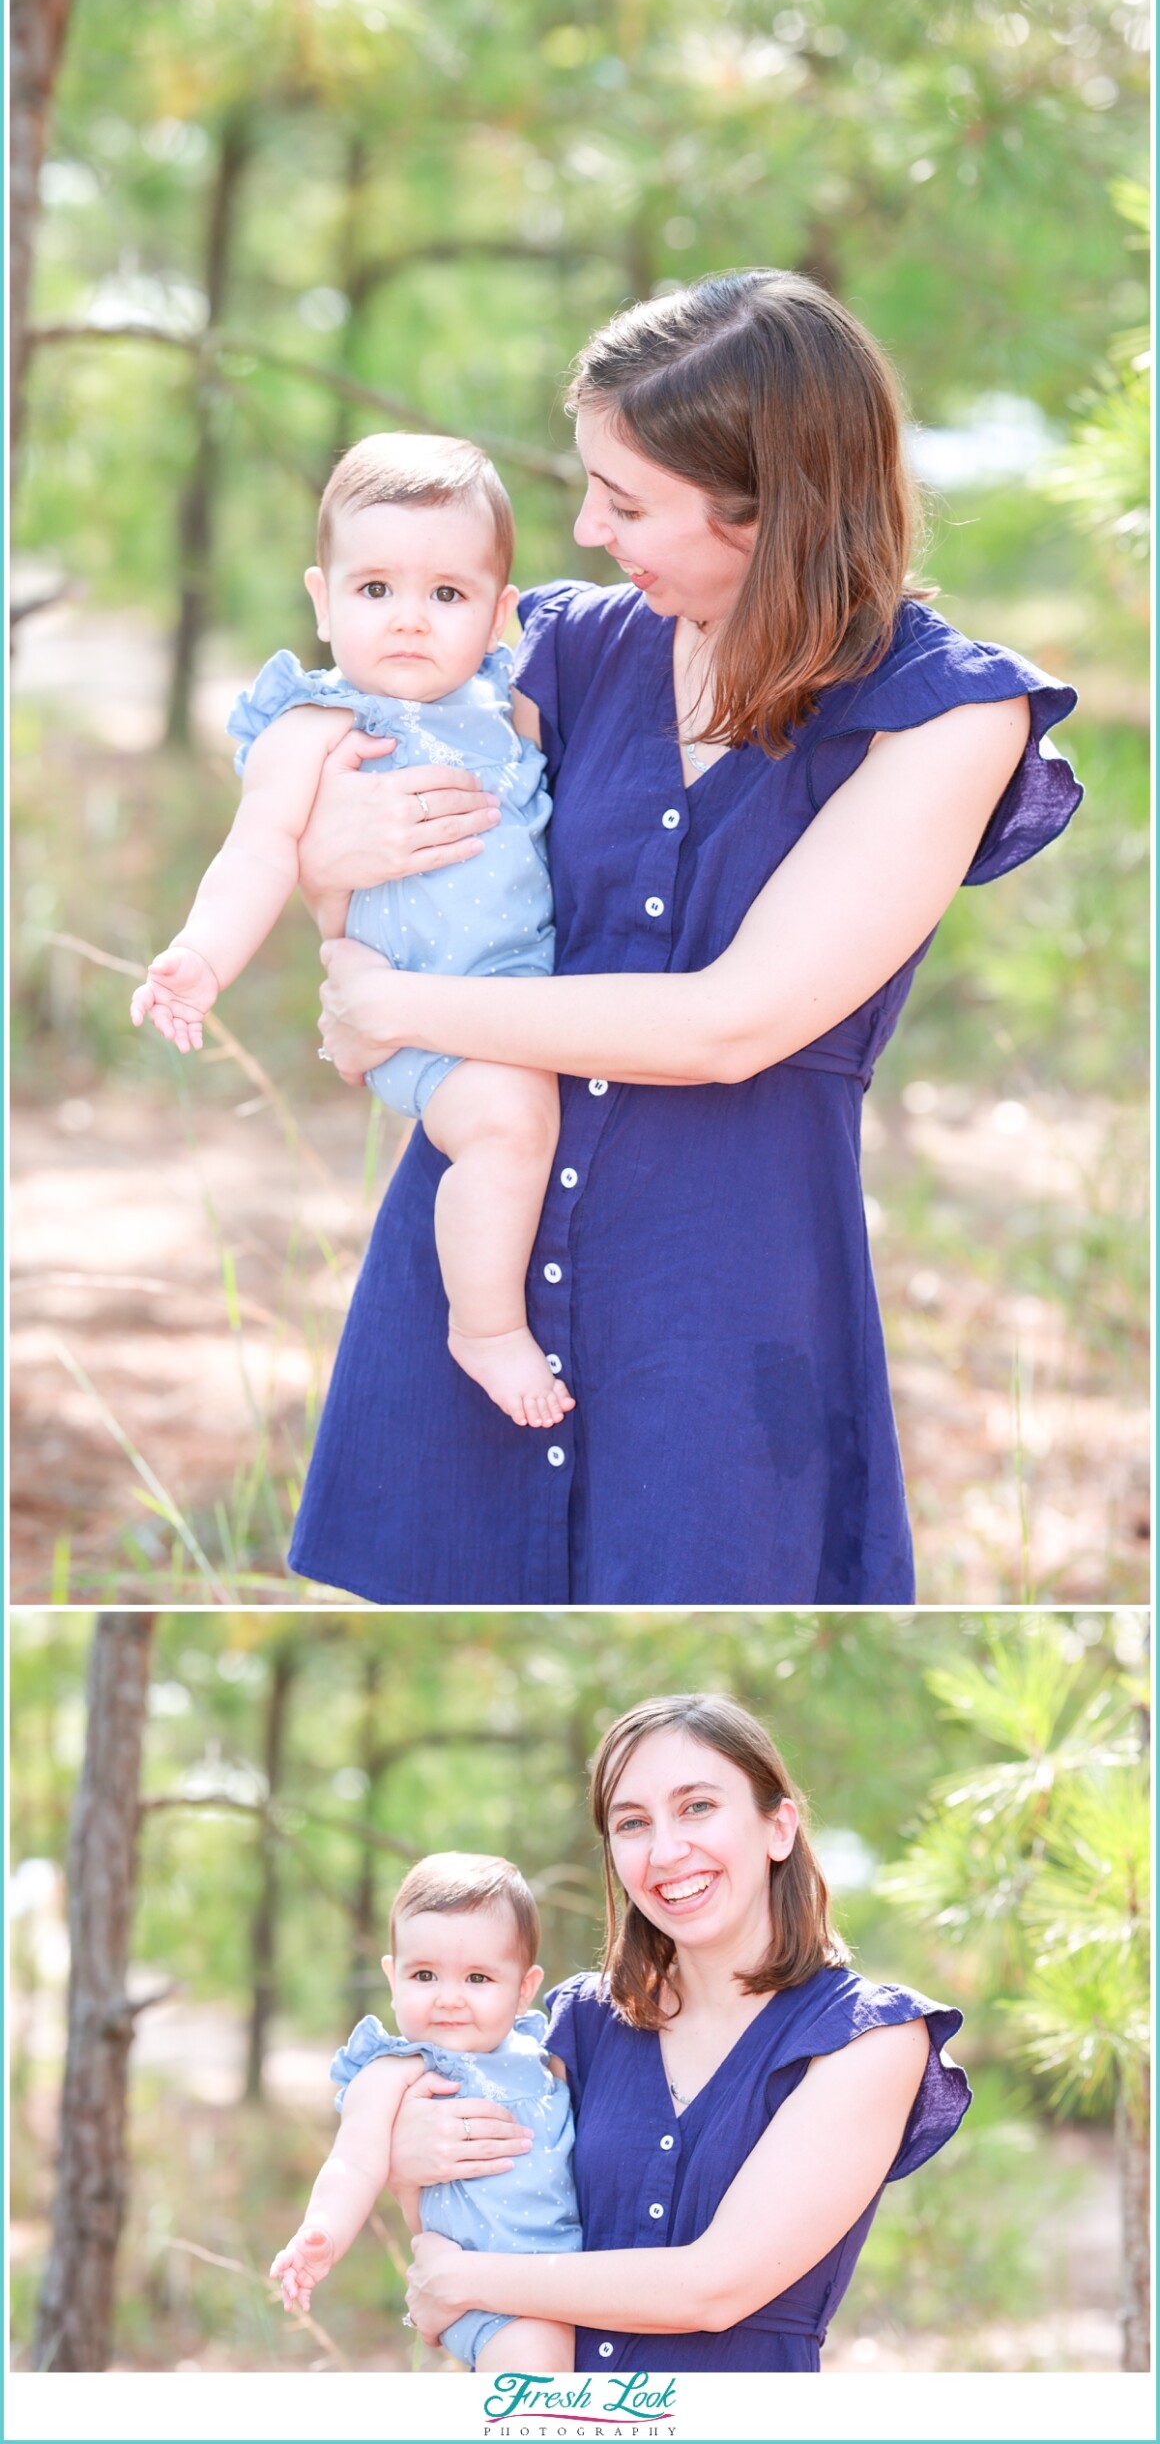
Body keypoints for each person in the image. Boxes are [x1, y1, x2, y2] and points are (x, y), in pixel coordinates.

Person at [292, 269, 1081, 1602]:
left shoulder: (944, 715)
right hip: (476, 1236)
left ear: (772, 504)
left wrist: (405, 1008)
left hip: (724, 1299)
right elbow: (388, 894)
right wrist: (326, 867)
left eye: (630, 498)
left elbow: (733, 1024)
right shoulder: (548, 650)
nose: (590, 530)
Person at [130, 434, 573, 1430]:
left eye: (447, 595)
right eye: (374, 589)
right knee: (510, 1128)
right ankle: (486, 1326)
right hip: (420, 1016)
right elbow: (258, 852)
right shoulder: (317, 725)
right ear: (324, 600)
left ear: (500, 612)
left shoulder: (504, 713)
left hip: (520, 996)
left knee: (529, 1115)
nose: (409, 619)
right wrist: (199, 958)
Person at [398, 1693, 971, 2373]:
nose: (667, 1851)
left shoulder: (867, 2040)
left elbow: (716, 2287)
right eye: (633, 1822)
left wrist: (464, 2281)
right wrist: (406, 2151)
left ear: (778, 1827)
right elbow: (484, 2207)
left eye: (698, 1807)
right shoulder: (573, 2024)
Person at [269, 1851, 581, 2373]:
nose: (450, 1999)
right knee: (538, 2385)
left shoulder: (538, 2054)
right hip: (485, 2298)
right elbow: (354, 2161)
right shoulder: (397, 2069)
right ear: (393, 1978)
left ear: (524, 1988)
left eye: (478, 1979)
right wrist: (321, 2233)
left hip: (575, 2279)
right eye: (425, 1975)